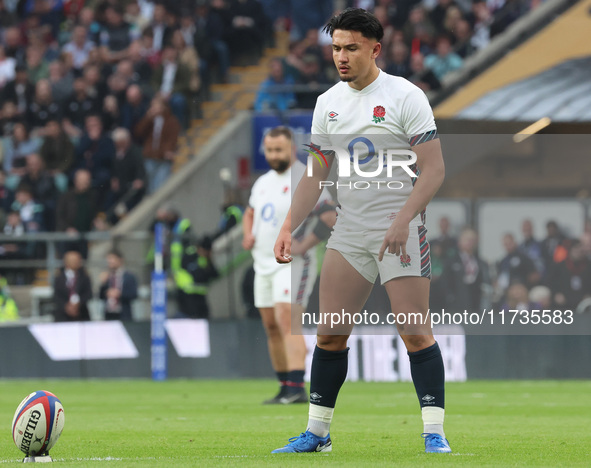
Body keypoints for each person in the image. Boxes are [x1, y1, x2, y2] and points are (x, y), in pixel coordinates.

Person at [272, 9, 450, 453]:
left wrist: (403, 220)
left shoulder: (406, 96)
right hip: (349, 232)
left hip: (400, 230)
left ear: (375, 48)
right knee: (330, 333)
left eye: (351, 48)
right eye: (336, 48)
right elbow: (314, 177)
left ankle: (434, 434)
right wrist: (287, 227)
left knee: (414, 331)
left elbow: (433, 171)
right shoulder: (327, 102)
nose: (341, 57)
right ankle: (317, 434)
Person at [243, 126, 335, 405]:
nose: (273, 155)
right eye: (269, 150)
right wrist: (248, 234)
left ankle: (297, 385)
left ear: (292, 148)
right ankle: (284, 386)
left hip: (293, 264)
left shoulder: (305, 178)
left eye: (279, 149)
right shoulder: (262, 182)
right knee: (271, 324)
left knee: (288, 320)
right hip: (262, 263)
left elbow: (329, 216)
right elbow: (250, 212)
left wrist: (304, 246)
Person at [99, 249, 139, 321]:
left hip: (123, 314)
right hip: (109, 314)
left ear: (120, 260)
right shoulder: (107, 276)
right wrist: (103, 284)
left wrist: (119, 294)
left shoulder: (129, 276)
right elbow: (100, 296)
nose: (110, 261)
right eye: (108, 259)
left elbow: (134, 294)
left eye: (112, 258)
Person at [53, 250, 92, 322]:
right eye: (73, 260)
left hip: (81, 315)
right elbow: (56, 295)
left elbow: (88, 294)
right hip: (63, 316)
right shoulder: (59, 277)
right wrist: (66, 307)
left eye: (78, 260)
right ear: (66, 262)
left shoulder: (84, 276)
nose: (76, 262)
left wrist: (78, 304)